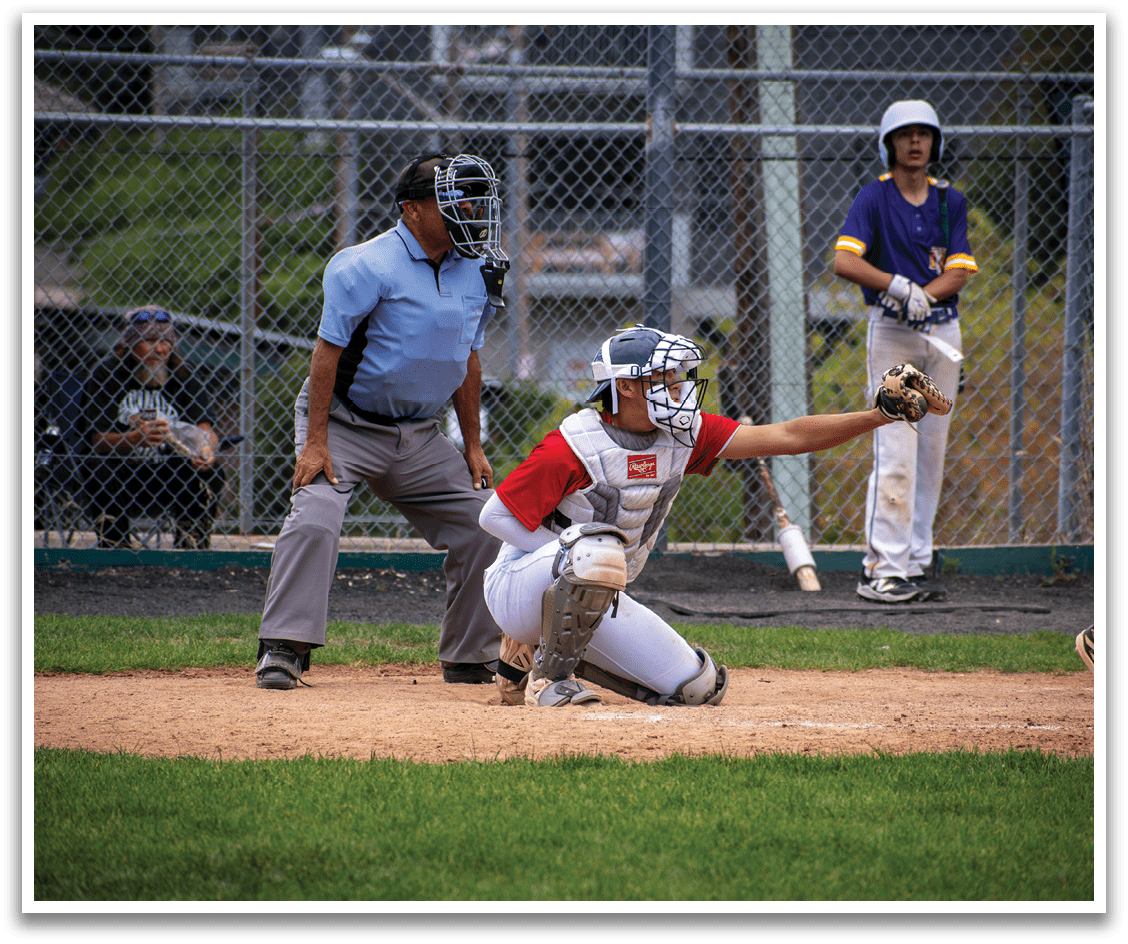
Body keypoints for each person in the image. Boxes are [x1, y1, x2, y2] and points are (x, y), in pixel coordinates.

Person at [478, 324, 929, 708]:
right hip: (517, 586)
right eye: (664, 378)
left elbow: (789, 436)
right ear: (626, 387)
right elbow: (494, 517)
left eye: (678, 377)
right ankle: (549, 680)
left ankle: (535, 652)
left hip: (591, 593)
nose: (678, 388)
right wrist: (572, 557)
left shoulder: (683, 435)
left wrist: (878, 415)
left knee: (698, 688)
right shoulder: (574, 444)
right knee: (595, 551)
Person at [255, 153, 510, 691]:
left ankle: (469, 656)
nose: (468, 210)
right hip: (345, 424)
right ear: (412, 209)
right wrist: (316, 442)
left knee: (488, 521)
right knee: (316, 514)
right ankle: (283, 646)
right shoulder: (365, 264)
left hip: (419, 433)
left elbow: (467, 358)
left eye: (471, 199)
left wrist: (473, 446)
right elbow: (326, 353)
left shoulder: (478, 267)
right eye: (451, 199)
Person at [833, 99, 978, 604]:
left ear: (935, 142)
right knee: (896, 448)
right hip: (893, 331)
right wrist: (900, 287)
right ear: (889, 142)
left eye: (924, 133)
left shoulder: (949, 200)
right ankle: (882, 570)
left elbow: (959, 269)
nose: (915, 142)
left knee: (931, 452)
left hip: (941, 331)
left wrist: (925, 296)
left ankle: (914, 561)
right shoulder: (874, 196)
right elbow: (845, 261)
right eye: (905, 133)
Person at [82, 305, 224, 549]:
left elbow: (205, 428)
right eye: (149, 340)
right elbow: (97, 440)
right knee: (98, 466)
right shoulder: (106, 374)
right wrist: (135, 438)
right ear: (129, 344)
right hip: (122, 471)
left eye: (165, 341)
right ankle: (115, 547)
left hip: (170, 472)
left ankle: (191, 546)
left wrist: (205, 449)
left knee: (211, 471)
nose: (159, 349)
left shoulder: (182, 374)